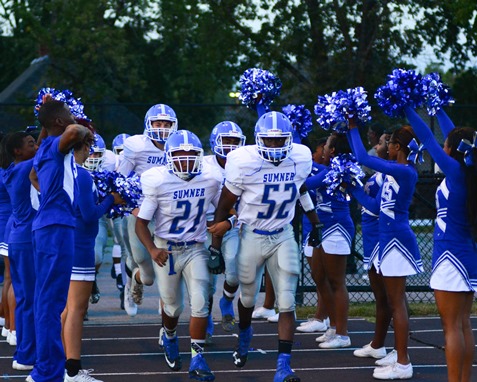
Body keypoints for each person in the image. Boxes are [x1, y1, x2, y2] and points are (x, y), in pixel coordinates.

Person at [209, 111, 321, 382]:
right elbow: (223, 207)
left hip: (282, 235)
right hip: (252, 235)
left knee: (286, 301)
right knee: (247, 297)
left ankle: (283, 365)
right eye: (268, 141)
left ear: (289, 139)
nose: (273, 146)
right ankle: (245, 334)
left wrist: (315, 222)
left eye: (279, 140)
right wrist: (215, 247)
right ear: (258, 140)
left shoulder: (299, 158)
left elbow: (301, 188)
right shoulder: (243, 162)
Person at [135, 130, 221, 381]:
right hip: (167, 248)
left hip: (195, 247)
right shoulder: (158, 180)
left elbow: (224, 209)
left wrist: (228, 222)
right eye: (179, 154)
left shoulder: (211, 179)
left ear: (200, 156)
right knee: (172, 307)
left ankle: (198, 357)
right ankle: (170, 335)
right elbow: (141, 224)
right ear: (168, 157)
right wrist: (152, 250)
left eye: (191, 154)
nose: (185, 159)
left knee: (201, 300)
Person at [405, 106, 477, 382]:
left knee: (451, 327)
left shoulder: (456, 172)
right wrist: (439, 107)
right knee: (463, 324)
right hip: (467, 254)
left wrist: (409, 109)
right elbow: (453, 137)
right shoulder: (468, 172)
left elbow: (429, 138)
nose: (443, 147)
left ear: (452, 150)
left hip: (450, 255)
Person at [347, 121, 423, 380]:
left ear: (397, 147)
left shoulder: (404, 172)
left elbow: (360, 156)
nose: (386, 146)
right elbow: (375, 205)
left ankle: (403, 363)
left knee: (397, 303)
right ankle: (400, 355)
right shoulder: (395, 172)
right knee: (394, 301)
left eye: (389, 143)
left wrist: (352, 126)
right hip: (387, 240)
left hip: (396, 242)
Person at [28, 99, 94, 382]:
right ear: (58, 123)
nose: (73, 117)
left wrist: (50, 195)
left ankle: (44, 368)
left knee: (45, 301)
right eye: (67, 114)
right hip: (57, 227)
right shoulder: (56, 145)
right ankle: (48, 371)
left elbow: (33, 174)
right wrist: (78, 126)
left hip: (45, 226)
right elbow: (75, 132)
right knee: (52, 303)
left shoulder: (43, 147)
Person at [61, 138, 123, 382]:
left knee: (67, 309)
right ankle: (72, 371)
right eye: (88, 146)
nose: (91, 151)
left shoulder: (62, 170)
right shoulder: (83, 175)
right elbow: (89, 215)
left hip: (65, 241)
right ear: (82, 147)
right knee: (77, 309)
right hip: (80, 245)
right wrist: (111, 200)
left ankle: (62, 364)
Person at [117, 103, 177, 317]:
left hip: (167, 214)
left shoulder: (178, 144)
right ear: (148, 124)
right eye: (157, 123)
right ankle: (134, 279)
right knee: (145, 268)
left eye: (166, 123)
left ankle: (166, 327)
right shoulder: (136, 145)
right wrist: (130, 206)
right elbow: (119, 180)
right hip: (140, 211)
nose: (162, 127)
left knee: (166, 272)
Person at [305, 133, 355, 348]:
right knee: (319, 276)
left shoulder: (337, 170)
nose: (323, 148)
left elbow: (305, 184)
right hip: (321, 226)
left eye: (325, 144)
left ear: (332, 150)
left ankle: (343, 334)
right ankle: (333, 326)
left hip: (336, 227)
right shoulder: (327, 169)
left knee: (336, 281)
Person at [350, 131, 394, 362]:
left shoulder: (390, 173)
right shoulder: (381, 171)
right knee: (381, 297)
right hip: (370, 238)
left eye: (379, 142)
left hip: (381, 238)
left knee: (390, 298)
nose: (375, 145)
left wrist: (352, 189)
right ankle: (378, 344)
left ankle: (397, 350)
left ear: (390, 148)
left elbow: (375, 206)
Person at [204, 121, 245, 337]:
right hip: (204, 227)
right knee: (206, 281)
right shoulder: (203, 165)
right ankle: (207, 320)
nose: (230, 146)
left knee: (234, 271)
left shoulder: (245, 164)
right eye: (226, 140)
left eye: (234, 141)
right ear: (215, 142)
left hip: (231, 225)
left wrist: (231, 220)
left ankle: (227, 301)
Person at [1, 131, 38, 369]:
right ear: (17, 151)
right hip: (25, 239)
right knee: (29, 298)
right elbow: (51, 150)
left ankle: (25, 353)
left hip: (18, 236)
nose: (36, 146)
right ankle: (26, 353)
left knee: (25, 296)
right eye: (30, 143)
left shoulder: (16, 168)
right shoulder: (24, 168)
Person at [297, 137, 330, 333]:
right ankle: (322, 316)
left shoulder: (323, 171)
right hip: (310, 225)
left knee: (321, 276)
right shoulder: (313, 169)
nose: (318, 154)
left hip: (320, 226)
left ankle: (322, 316)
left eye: (320, 149)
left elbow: (302, 186)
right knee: (317, 275)